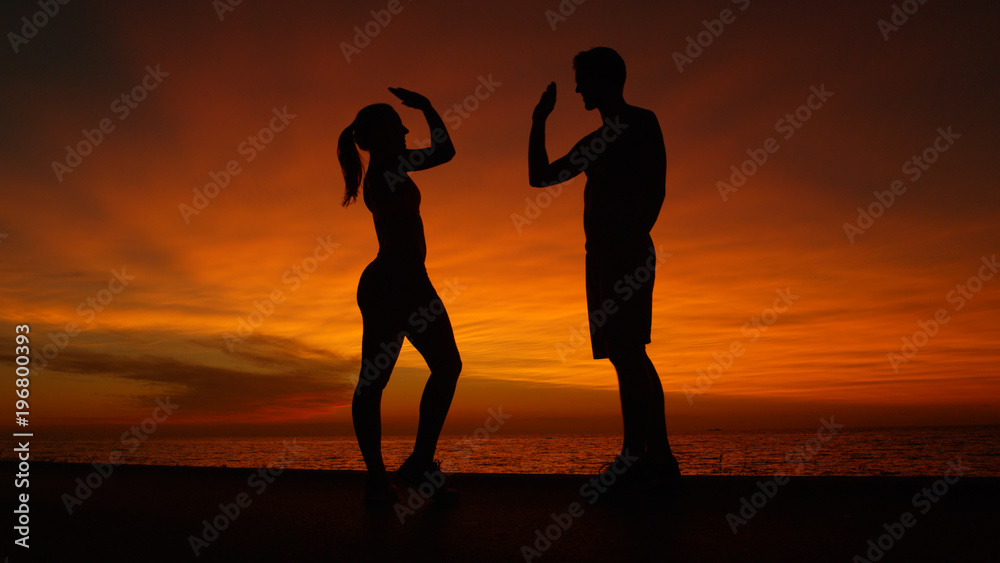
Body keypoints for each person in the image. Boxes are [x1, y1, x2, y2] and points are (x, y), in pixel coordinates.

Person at [528, 47, 681, 490]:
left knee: (629, 352)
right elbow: (541, 177)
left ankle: (641, 458)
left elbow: (657, 187)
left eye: (583, 80)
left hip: (624, 255)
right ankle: (653, 458)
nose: (576, 89)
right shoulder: (597, 140)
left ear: (606, 79)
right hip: (602, 258)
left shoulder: (639, 123)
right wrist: (539, 120)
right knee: (626, 354)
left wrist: (630, 239)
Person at [338, 88, 462, 506]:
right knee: (432, 369)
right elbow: (445, 152)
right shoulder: (389, 168)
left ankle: (395, 472)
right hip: (399, 283)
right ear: (381, 135)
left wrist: (427, 106)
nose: (406, 128)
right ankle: (408, 467)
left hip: (396, 282)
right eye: (398, 123)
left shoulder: (388, 166)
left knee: (387, 381)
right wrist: (427, 106)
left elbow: (445, 153)